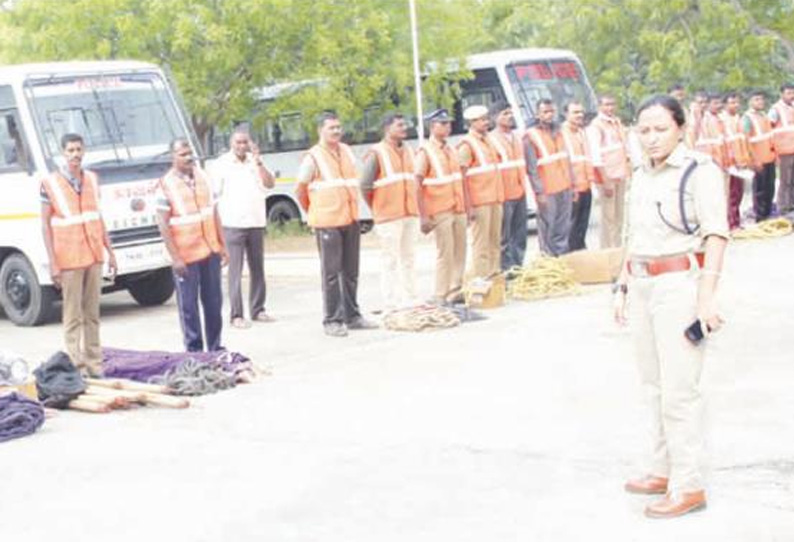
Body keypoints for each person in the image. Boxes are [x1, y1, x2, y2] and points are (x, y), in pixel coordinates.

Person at [614, 94, 729, 519]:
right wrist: (623, 284)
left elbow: (716, 235)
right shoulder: (640, 174)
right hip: (644, 283)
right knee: (653, 385)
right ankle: (662, 469)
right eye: (644, 130)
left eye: (661, 128)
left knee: (681, 391)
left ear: (681, 127)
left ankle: (689, 484)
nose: (652, 138)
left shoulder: (699, 171)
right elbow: (634, 235)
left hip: (680, 284)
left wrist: (706, 296)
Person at [41, 133, 117, 377]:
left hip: (93, 256)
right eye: (70, 150)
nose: (75, 154)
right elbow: (44, 225)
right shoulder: (50, 183)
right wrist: (53, 263)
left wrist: (110, 251)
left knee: (92, 315)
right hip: (69, 259)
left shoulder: (92, 180)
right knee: (73, 316)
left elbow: (98, 217)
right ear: (63, 153)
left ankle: (95, 365)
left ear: (84, 151)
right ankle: (77, 366)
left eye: (78, 149)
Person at [295, 112, 376, 337]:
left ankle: (352, 315)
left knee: (351, 271)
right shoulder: (313, 157)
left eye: (339, 127)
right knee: (331, 274)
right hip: (327, 222)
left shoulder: (346, 151)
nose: (337, 131)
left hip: (350, 218)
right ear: (321, 130)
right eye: (332, 128)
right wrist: (314, 211)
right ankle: (332, 319)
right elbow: (300, 190)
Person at [156, 138, 228, 352]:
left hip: (210, 251)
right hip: (185, 257)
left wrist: (222, 245)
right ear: (173, 157)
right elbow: (163, 223)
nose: (188, 157)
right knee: (189, 307)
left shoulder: (204, 177)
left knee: (214, 303)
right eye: (182, 154)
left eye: (190, 153)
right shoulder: (165, 184)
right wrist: (175, 257)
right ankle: (194, 351)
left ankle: (215, 348)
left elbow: (213, 212)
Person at [209, 128, 275, 329]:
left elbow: (269, 184)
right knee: (235, 271)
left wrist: (259, 162)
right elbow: (213, 195)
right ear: (231, 143)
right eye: (238, 142)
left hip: (255, 221)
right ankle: (236, 314)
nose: (241, 146)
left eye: (245, 142)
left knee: (258, 268)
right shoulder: (221, 164)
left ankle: (258, 309)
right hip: (232, 224)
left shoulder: (255, 163)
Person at [360, 113, 419, 310]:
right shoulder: (377, 153)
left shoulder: (409, 151)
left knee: (408, 258)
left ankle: (410, 297)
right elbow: (365, 185)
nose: (404, 128)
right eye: (400, 125)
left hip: (410, 213)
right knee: (390, 260)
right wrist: (377, 207)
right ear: (387, 129)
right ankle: (391, 301)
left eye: (405, 124)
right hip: (388, 216)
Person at [414, 109, 467, 304]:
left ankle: (455, 289)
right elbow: (417, 184)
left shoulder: (451, 149)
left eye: (449, 123)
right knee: (445, 252)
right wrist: (423, 216)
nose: (447, 127)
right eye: (442, 124)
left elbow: (460, 179)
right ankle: (440, 293)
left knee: (460, 250)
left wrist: (466, 207)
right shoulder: (425, 151)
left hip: (457, 206)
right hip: (440, 209)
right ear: (432, 126)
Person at [458, 105, 504, 278]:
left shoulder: (489, 140)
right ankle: (481, 280)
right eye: (482, 120)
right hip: (479, 202)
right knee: (481, 244)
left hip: (494, 198)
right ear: (472, 122)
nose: (487, 122)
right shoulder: (466, 145)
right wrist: (468, 206)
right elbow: (462, 178)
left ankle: (494, 276)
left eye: (486, 119)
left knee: (494, 242)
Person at [525, 99, 573, 256]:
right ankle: (548, 260)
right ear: (537, 114)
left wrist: (572, 185)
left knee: (563, 227)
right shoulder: (531, 136)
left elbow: (567, 160)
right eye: (545, 112)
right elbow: (532, 169)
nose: (549, 115)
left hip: (564, 186)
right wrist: (539, 193)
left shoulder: (559, 132)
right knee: (548, 228)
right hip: (547, 190)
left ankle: (562, 259)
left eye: (551, 111)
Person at [488, 101, 528, 270]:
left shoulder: (517, 137)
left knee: (520, 234)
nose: (509, 116)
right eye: (505, 113)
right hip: (503, 194)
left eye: (510, 113)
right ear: (495, 117)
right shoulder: (491, 140)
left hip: (519, 192)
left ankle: (518, 268)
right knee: (504, 236)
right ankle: (506, 270)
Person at [587, 94, 631, 248]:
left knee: (620, 217)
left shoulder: (616, 123)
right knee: (608, 219)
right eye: (606, 104)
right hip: (607, 178)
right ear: (599, 106)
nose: (610, 108)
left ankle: (618, 249)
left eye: (612, 104)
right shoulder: (596, 126)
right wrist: (605, 181)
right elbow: (596, 157)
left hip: (620, 175)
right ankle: (606, 250)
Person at [561, 101, 596, 251]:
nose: (580, 115)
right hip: (572, 187)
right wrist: (571, 186)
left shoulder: (582, 132)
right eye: (575, 112)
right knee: (571, 224)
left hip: (586, 185)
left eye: (581, 112)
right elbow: (563, 164)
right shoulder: (561, 134)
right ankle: (571, 255)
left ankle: (580, 250)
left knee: (583, 223)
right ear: (566, 114)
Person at [742, 90, 777, 221]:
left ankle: (767, 214)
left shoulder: (764, 116)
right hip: (758, 160)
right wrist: (753, 160)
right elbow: (746, 141)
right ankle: (760, 216)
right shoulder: (747, 118)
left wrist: (775, 155)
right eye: (757, 99)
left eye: (761, 99)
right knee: (760, 190)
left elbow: (770, 137)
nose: (760, 102)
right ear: (750, 102)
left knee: (770, 188)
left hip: (769, 158)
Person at [721, 92, 752, 229]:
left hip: (741, 163)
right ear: (725, 104)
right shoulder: (722, 120)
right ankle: (731, 223)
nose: (736, 105)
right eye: (732, 103)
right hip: (730, 164)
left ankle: (736, 221)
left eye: (737, 102)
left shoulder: (738, 118)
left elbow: (743, 141)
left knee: (738, 194)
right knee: (730, 195)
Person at [769, 82, 794, 215]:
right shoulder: (775, 110)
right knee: (786, 181)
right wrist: (774, 151)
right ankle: (783, 208)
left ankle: (791, 206)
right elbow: (769, 129)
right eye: (789, 93)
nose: (792, 96)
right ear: (781, 94)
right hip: (784, 152)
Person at [694, 93, 729, 171]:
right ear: (708, 105)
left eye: (720, 103)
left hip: (722, 159)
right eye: (715, 103)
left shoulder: (720, 118)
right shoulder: (703, 119)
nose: (719, 105)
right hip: (710, 160)